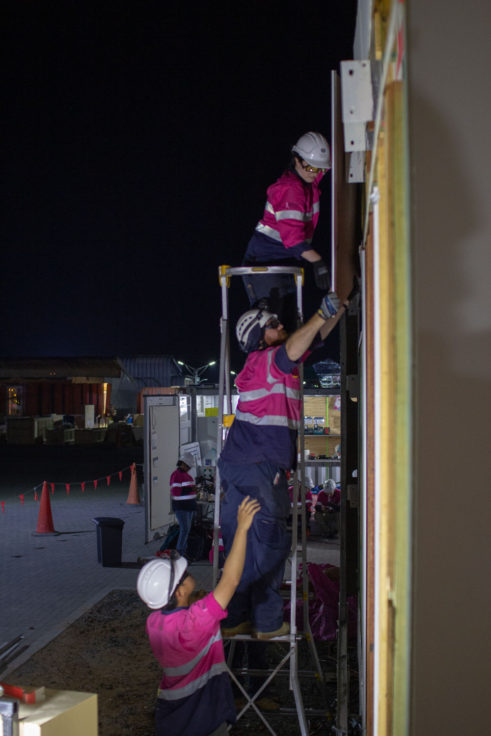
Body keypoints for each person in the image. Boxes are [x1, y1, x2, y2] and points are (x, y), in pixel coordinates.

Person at [218, 292, 350, 639]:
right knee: (270, 543)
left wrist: (337, 312)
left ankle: (237, 618)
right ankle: (263, 622)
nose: (282, 325)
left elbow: (313, 338)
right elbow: (296, 345)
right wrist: (322, 311)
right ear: (261, 336)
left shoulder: (273, 363)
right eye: (274, 324)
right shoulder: (264, 361)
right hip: (259, 467)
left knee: (242, 545)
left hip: (243, 466)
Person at [137, 496, 261, 736]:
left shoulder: (153, 623)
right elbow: (231, 580)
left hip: (172, 716)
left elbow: (178, 618)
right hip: (202, 716)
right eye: (185, 573)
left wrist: (194, 604)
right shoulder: (196, 621)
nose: (188, 572)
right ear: (180, 591)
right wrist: (242, 529)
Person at [242, 131, 332, 330]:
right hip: (265, 265)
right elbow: (292, 239)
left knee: (289, 326)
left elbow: (326, 165)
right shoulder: (290, 189)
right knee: (273, 328)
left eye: (319, 169)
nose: (313, 172)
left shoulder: (308, 182)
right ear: (296, 160)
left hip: (284, 263)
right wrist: (318, 262)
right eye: (309, 166)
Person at [170, 453, 197, 559]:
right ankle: (180, 552)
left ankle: (183, 551)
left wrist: (194, 489)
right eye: (188, 466)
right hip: (181, 507)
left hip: (189, 506)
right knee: (184, 529)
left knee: (187, 529)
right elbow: (176, 492)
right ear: (183, 464)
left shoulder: (188, 476)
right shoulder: (176, 475)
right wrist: (191, 489)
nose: (189, 468)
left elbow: (188, 490)